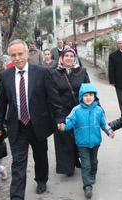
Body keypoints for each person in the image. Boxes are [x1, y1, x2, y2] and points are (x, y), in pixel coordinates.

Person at [0, 39, 65, 200]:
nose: (17, 58)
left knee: (40, 155)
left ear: (27, 53)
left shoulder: (41, 72)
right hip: (17, 126)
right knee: (18, 163)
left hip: (37, 124)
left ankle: (41, 179)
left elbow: (54, 98)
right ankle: (17, 196)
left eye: (20, 53)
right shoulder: (5, 76)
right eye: (13, 55)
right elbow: (1, 103)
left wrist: (60, 117)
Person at [59, 83, 113, 199]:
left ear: (95, 97)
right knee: (86, 164)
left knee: (93, 162)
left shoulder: (98, 110)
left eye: (91, 95)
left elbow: (103, 124)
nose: (88, 97)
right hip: (82, 143)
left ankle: (93, 174)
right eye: (85, 95)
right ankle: (87, 186)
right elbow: (70, 121)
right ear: (81, 97)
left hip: (95, 142)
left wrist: (109, 131)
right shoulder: (76, 110)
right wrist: (64, 126)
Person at [50, 48, 90, 177]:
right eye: (66, 55)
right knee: (64, 139)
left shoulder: (82, 71)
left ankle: (80, 159)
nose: (68, 58)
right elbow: (52, 95)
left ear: (75, 58)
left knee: (79, 137)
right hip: (62, 111)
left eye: (71, 56)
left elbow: (90, 90)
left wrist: (98, 107)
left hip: (80, 111)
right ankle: (67, 167)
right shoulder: (54, 73)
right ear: (61, 58)